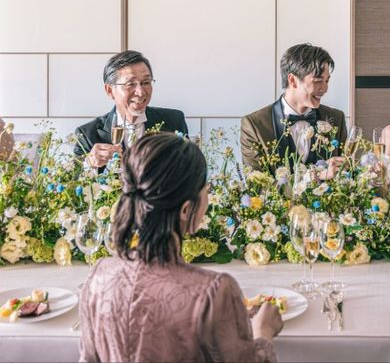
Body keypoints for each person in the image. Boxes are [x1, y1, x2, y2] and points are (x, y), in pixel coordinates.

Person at [79, 132, 282, 363]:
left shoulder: (98, 276)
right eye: (206, 190)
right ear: (186, 210)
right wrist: (264, 331)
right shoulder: (214, 292)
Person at [240, 43, 347, 172]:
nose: (325, 89)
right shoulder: (254, 125)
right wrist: (317, 176)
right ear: (292, 80)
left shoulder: (336, 118)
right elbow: (255, 181)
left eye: (327, 80)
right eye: (318, 81)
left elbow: (347, 172)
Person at [74, 50, 188, 168]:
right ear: (110, 90)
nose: (140, 92)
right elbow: (73, 177)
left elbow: (189, 169)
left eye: (146, 82)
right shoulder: (87, 134)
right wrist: (89, 164)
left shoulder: (174, 121)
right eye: (130, 84)